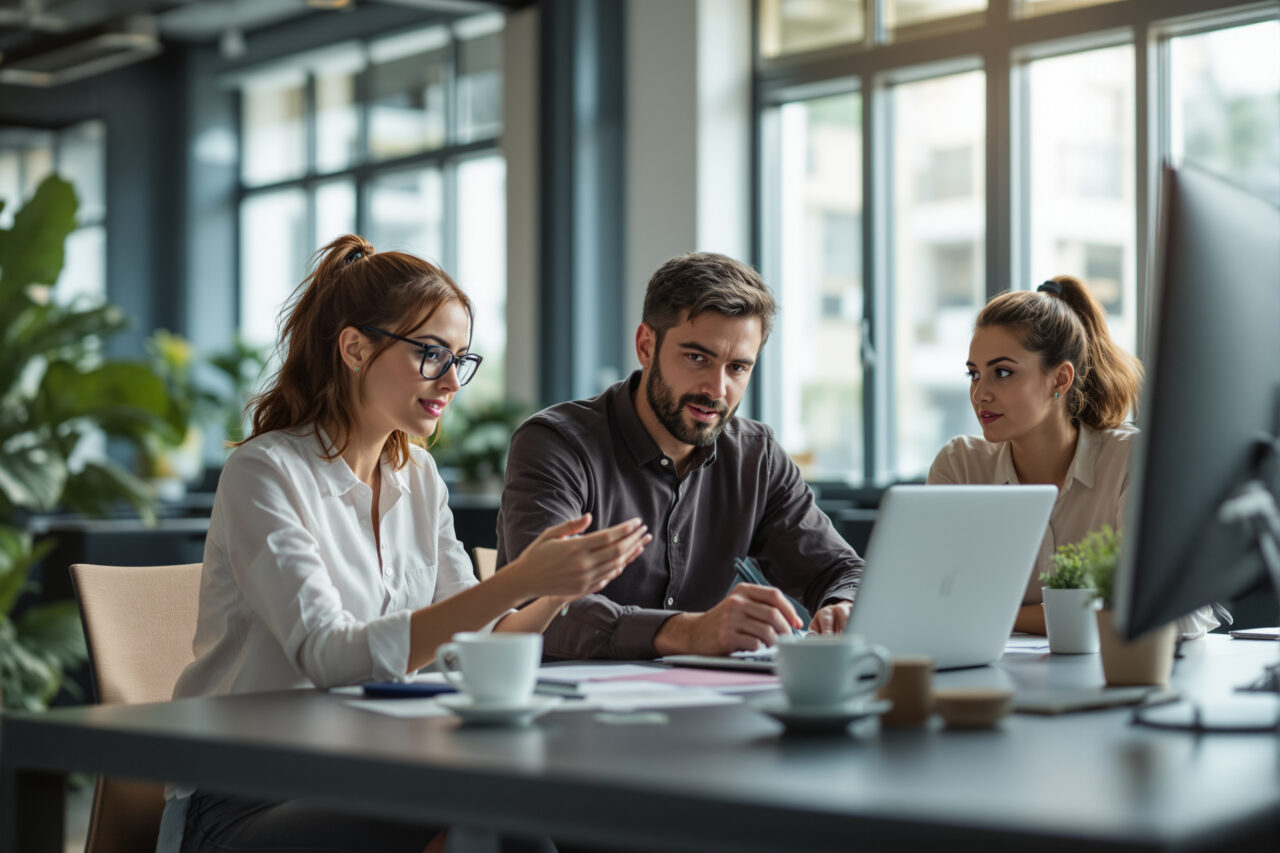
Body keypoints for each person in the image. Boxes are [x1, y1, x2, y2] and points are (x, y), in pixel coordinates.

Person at [159, 235, 650, 853]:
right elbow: (328, 656)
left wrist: (551, 591)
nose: (451, 379)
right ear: (355, 347)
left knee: (522, 806)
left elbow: (478, 654)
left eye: (461, 359)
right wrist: (517, 581)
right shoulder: (266, 472)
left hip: (374, 768)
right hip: (247, 794)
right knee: (484, 804)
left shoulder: (417, 477)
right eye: (430, 353)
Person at [496, 251, 864, 661]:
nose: (716, 389)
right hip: (568, 707)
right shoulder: (557, 445)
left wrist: (843, 607)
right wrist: (687, 632)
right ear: (646, 346)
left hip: (704, 701)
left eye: (738, 368)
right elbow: (540, 604)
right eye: (697, 358)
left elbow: (842, 571)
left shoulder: (756, 457)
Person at [928, 275, 1218, 637]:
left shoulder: (1131, 460)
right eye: (973, 374)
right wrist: (1089, 612)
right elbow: (931, 604)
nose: (980, 394)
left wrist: (996, 614)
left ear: (1060, 380)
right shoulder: (960, 466)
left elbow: (1172, 614)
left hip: (1118, 683)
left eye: (1002, 372)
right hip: (993, 684)